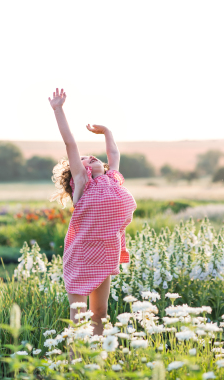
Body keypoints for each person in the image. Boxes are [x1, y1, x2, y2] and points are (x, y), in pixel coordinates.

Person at [48, 88, 136, 335]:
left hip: (105, 253)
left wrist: (107, 132)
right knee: (79, 316)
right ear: (80, 172)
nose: (91, 157)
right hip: (81, 255)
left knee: (101, 313)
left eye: (93, 156)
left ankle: (98, 360)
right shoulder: (84, 186)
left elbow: (114, 154)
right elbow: (70, 143)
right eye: (85, 159)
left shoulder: (113, 179)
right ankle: (75, 361)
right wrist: (58, 109)